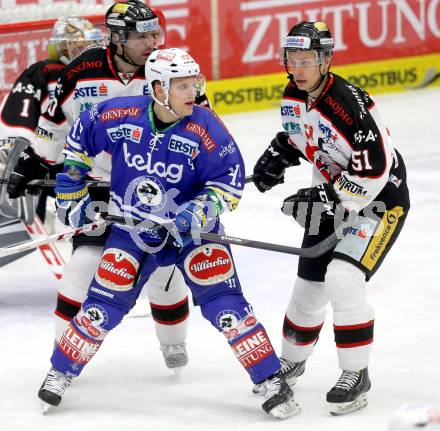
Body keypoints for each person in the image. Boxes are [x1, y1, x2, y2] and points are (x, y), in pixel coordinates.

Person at [36, 47, 300, 419]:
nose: (192, 90)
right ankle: (60, 371)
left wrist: (199, 210)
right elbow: (82, 133)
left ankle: (270, 378)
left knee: (228, 308)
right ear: (158, 88)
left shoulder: (205, 126)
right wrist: (72, 188)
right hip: (133, 230)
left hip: (193, 235)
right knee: (100, 308)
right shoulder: (122, 115)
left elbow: (230, 181)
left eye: (195, 82)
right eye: (182, 84)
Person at [7, 1, 209, 371]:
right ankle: (63, 352)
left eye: (155, 33)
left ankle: (173, 344)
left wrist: (201, 182)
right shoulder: (81, 70)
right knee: (83, 266)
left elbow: (203, 128)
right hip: (101, 185)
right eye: (140, 35)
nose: (151, 42)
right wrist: (33, 162)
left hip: (161, 183)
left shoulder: (170, 68)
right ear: (116, 38)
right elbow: (54, 125)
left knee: (165, 269)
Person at [252, 21, 410, 415]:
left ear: (325, 60)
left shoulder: (350, 106)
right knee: (308, 284)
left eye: (306, 60)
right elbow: (303, 134)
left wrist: (327, 195)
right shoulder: (293, 93)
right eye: (292, 60)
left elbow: (373, 172)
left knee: (343, 277)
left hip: (380, 200)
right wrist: (280, 153)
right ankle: (291, 360)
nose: (298, 68)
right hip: (333, 195)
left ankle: (356, 374)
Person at [0, 16, 105, 222]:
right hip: (50, 160)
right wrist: (16, 147)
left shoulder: (99, 75)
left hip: (89, 161)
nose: (87, 51)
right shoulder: (44, 71)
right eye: (80, 46)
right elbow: (21, 113)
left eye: (92, 45)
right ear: (62, 49)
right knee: (27, 186)